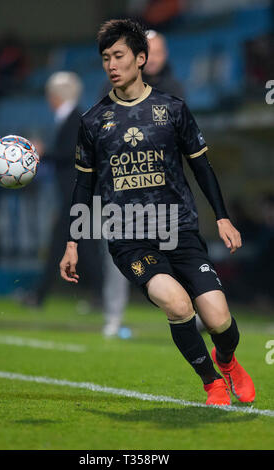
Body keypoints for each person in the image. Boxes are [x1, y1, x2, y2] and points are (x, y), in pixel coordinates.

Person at [60, 19, 255, 406]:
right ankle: (210, 382)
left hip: (179, 229)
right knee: (177, 303)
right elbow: (83, 185)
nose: (111, 64)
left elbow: (201, 166)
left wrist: (222, 216)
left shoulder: (173, 109)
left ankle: (227, 360)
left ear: (141, 58)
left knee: (218, 319)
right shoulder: (93, 122)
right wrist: (72, 241)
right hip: (129, 236)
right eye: (105, 58)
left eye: (119, 55)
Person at [101, 29, 183, 338]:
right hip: (122, 192)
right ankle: (113, 317)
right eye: (149, 52)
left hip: (164, 193)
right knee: (119, 253)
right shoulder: (113, 88)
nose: (153, 58)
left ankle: (193, 310)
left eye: (160, 52)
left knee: (178, 252)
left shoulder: (174, 91)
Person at [22, 71, 82, 307]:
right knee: (78, 245)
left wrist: (43, 152)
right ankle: (40, 294)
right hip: (71, 193)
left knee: (64, 241)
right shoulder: (71, 117)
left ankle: (39, 294)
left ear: (55, 96)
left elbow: (72, 154)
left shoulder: (75, 117)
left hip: (74, 193)